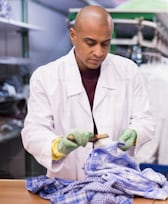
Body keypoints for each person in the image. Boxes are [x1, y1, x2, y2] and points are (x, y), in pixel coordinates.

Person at [21, 5, 155, 180]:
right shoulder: (45, 77)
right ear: (73, 36)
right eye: (90, 43)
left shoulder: (128, 71)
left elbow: (145, 119)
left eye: (105, 43)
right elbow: (33, 131)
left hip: (118, 179)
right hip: (67, 181)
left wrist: (136, 133)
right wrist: (57, 146)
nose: (98, 52)